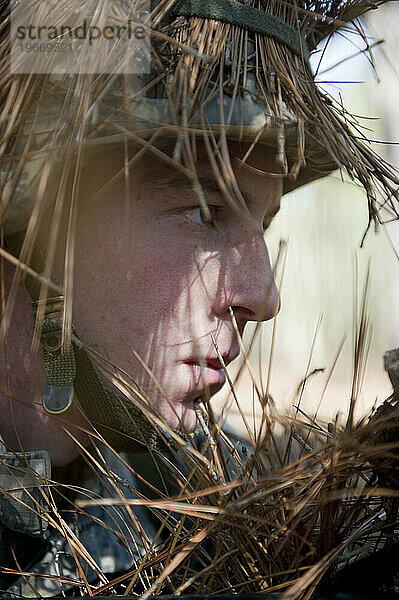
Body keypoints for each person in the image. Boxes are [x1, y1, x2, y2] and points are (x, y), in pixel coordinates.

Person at [0, 0, 398, 596]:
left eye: (262, 226)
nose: (264, 297)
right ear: (33, 230)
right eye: (202, 211)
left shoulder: (195, 493)